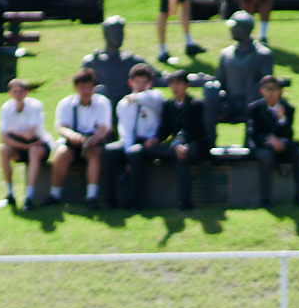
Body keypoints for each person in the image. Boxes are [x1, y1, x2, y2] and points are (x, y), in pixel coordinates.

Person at [50, 69, 114, 208]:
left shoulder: (102, 103)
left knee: (95, 154)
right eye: (82, 87)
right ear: (76, 88)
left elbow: (103, 128)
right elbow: (61, 127)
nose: (86, 91)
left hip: (94, 141)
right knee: (61, 154)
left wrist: (93, 139)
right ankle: (54, 194)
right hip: (72, 141)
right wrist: (73, 136)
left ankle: (91, 196)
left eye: (89, 87)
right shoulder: (65, 103)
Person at [112, 61, 166, 210]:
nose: (141, 86)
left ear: (150, 83)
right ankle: (108, 200)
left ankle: (134, 202)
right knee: (108, 151)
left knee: (136, 153)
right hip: (130, 141)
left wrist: (136, 98)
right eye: (137, 82)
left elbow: (149, 99)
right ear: (131, 82)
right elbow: (126, 130)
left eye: (144, 82)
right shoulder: (124, 104)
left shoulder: (155, 96)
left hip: (149, 141)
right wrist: (127, 151)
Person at [246, 74, 299, 208]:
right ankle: (265, 198)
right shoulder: (254, 109)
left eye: (274, 89)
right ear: (262, 91)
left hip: (283, 146)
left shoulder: (288, 109)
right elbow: (253, 133)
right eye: (267, 89)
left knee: (298, 154)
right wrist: (270, 138)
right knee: (266, 157)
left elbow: (288, 133)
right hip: (263, 147)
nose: (271, 92)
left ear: (280, 91)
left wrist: (282, 119)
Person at [157, 68, 210, 212]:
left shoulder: (196, 104)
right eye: (172, 84)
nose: (175, 88)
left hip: (195, 143)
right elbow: (165, 129)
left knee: (182, 156)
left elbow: (191, 129)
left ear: (187, 85)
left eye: (179, 84)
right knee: (153, 148)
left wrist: (178, 143)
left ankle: (185, 200)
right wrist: (155, 138)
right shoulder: (168, 105)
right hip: (177, 144)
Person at [0, 78, 50, 209]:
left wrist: (14, 132)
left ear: (27, 93)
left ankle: (29, 197)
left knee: (34, 151)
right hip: (21, 146)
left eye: (21, 91)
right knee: (3, 149)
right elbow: (3, 137)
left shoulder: (35, 105)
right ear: (10, 93)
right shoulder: (6, 108)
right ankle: (10, 194)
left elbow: (31, 134)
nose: (18, 94)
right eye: (15, 91)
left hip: (39, 144)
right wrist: (23, 144)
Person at [80, 14, 153, 107]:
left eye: (121, 33)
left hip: (128, 109)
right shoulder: (92, 62)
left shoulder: (131, 60)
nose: (120, 37)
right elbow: (82, 88)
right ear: (106, 35)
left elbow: (158, 77)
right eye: (116, 33)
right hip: (101, 111)